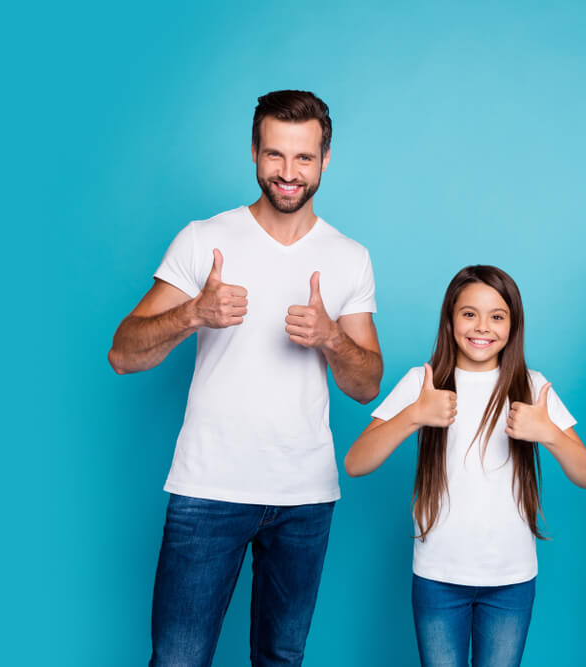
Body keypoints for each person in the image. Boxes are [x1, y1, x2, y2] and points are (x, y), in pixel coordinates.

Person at [108, 90, 383, 667]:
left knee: (281, 660)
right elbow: (123, 355)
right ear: (254, 153)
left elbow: (366, 385)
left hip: (305, 497)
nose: (288, 173)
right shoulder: (204, 239)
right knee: (178, 660)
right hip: (208, 491)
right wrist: (193, 314)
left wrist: (333, 336)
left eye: (304, 158)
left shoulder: (348, 257)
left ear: (325, 158)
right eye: (275, 156)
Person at [345, 265, 586, 667]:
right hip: (437, 576)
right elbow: (356, 463)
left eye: (497, 316)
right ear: (450, 320)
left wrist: (549, 432)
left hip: (511, 580)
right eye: (469, 313)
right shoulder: (422, 382)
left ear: (513, 326)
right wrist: (413, 414)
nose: (483, 327)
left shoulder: (531, 386)